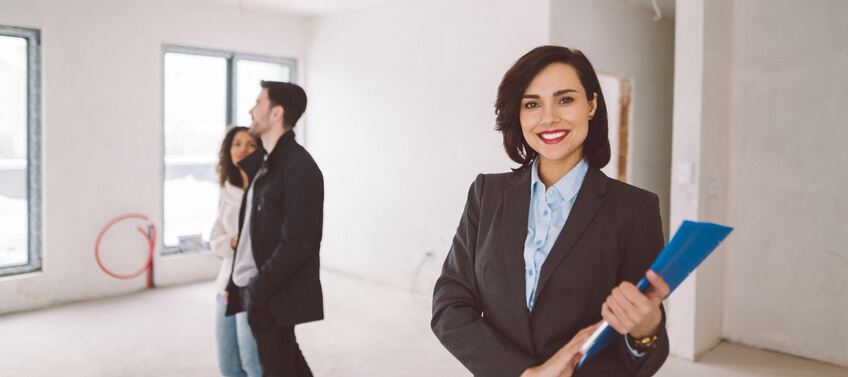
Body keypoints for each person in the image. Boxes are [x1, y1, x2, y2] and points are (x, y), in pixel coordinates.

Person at [431, 46, 671, 377]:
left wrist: (645, 330)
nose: (548, 118)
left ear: (591, 105)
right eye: (532, 104)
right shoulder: (487, 194)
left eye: (565, 99)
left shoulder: (635, 209)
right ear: (519, 114)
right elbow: (449, 305)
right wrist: (528, 373)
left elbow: (641, 357)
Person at [225, 81, 323, 377]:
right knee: (289, 365)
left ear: (276, 113)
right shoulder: (266, 164)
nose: (251, 110)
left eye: (258, 103)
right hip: (257, 290)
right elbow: (251, 234)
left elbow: (299, 241)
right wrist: (236, 283)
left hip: (271, 293)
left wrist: (258, 289)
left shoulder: (299, 166)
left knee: (278, 368)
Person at [211, 125, 262, 377]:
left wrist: (236, 243)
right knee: (228, 365)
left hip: (249, 287)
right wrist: (233, 242)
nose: (243, 149)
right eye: (237, 144)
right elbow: (215, 240)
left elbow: (258, 246)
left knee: (252, 363)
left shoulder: (264, 188)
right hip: (224, 285)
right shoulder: (227, 189)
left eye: (250, 144)